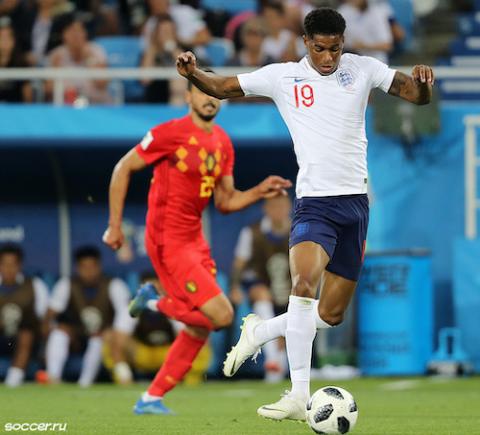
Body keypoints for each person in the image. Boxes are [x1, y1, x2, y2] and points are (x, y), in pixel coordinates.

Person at [175, 6, 433, 421]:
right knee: (303, 284)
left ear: (343, 44)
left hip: (355, 205)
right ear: (306, 44)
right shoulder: (283, 76)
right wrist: (191, 73)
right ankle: (298, 395)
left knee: (329, 316)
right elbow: (222, 86)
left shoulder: (363, 68)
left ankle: (260, 331)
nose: (328, 57)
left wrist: (423, 84)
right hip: (315, 203)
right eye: (320, 49)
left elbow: (414, 96)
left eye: (335, 48)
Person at [102, 73, 291, 415]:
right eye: (201, 91)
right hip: (166, 240)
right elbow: (121, 169)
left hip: (194, 241)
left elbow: (226, 202)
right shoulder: (169, 133)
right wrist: (114, 226)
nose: (209, 98)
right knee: (221, 314)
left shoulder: (222, 142)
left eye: (214, 93)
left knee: (199, 325)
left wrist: (258, 192)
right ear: (188, 97)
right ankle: (153, 303)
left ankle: (151, 398)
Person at [43, 246, 135, 386]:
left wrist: (110, 332)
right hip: (77, 338)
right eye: (84, 267)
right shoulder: (66, 284)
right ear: (77, 268)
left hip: (104, 338)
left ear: (99, 266)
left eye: (92, 267)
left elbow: (125, 317)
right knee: (59, 334)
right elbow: (49, 316)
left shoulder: (114, 285)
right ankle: (53, 377)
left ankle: (85, 383)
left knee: (98, 340)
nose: (89, 271)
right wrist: (56, 329)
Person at [230, 195, 292, 382]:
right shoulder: (252, 232)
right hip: (263, 285)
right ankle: (273, 360)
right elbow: (239, 264)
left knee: (298, 309)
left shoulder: (299, 230)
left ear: (289, 207)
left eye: (282, 206)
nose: (278, 211)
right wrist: (234, 287)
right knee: (261, 294)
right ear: (266, 208)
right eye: (274, 206)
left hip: (292, 289)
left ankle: (279, 368)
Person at [0, 244, 49, 387]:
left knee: (26, 334)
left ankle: (13, 381)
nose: (9, 269)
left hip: (26, 339)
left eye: (13, 265)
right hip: (2, 337)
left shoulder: (35, 285)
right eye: (4, 264)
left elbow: (44, 320)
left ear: (20, 265)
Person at [47, 14, 110, 104]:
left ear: (85, 33)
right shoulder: (56, 55)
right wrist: (56, 68)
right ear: (64, 34)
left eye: (80, 31)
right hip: (66, 106)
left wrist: (89, 59)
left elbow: (102, 84)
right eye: (72, 31)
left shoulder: (96, 51)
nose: (76, 35)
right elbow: (49, 90)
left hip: (96, 104)